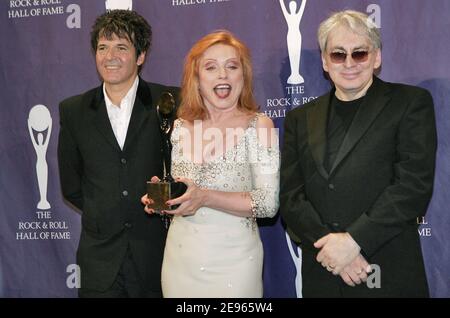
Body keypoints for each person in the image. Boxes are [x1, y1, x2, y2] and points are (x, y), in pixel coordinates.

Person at [280, 10, 437, 297]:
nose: (349, 63)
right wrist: (332, 249)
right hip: (324, 271)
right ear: (325, 62)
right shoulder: (299, 119)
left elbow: (412, 187)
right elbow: (291, 197)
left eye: (360, 53)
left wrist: (354, 242)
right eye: (339, 54)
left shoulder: (410, 104)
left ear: (376, 57)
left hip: (387, 268)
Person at [142, 30, 280, 297]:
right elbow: (180, 191)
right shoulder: (178, 127)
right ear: (197, 77)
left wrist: (205, 197)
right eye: (211, 67)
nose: (223, 75)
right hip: (180, 263)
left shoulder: (260, 125)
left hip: (236, 265)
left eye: (232, 66)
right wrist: (160, 199)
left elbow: (267, 203)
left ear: (244, 75)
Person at [58, 10, 178, 297]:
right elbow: (72, 185)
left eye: (121, 47)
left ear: (141, 56)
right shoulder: (73, 110)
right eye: (103, 47)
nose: (109, 55)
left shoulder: (171, 101)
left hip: (157, 255)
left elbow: (183, 171)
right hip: (99, 260)